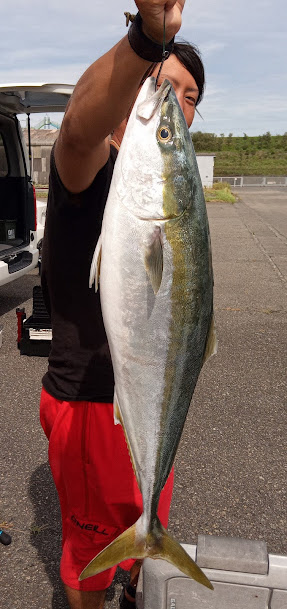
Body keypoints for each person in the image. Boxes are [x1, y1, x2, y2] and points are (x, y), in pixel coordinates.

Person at [40, 1, 205, 608]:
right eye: (161, 85)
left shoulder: (176, 191)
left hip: (152, 402)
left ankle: (139, 568)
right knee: (88, 564)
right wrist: (147, 38)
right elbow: (81, 127)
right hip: (88, 405)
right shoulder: (87, 171)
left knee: (141, 528)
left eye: (189, 97)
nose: (174, 101)